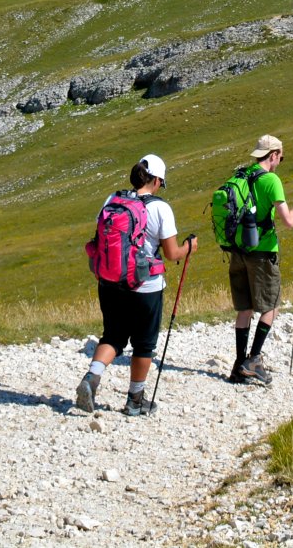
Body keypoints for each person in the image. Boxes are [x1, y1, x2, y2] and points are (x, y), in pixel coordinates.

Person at [77, 154, 196, 416]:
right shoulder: (160, 208)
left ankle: (91, 378)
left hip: (110, 282)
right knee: (143, 344)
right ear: (156, 180)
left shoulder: (113, 200)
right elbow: (172, 254)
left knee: (113, 336)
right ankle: (135, 400)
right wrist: (190, 246)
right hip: (145, 286)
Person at [219, 134, 293, 385]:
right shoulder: (271, 179)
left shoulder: (240, 175)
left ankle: (239, 365)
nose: (280, 161)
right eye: (280, 157)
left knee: (244, 308)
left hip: (238, 251)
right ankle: (254, 360)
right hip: (262, 251)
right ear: (273, 155)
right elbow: (289, 221)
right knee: (271, 306)